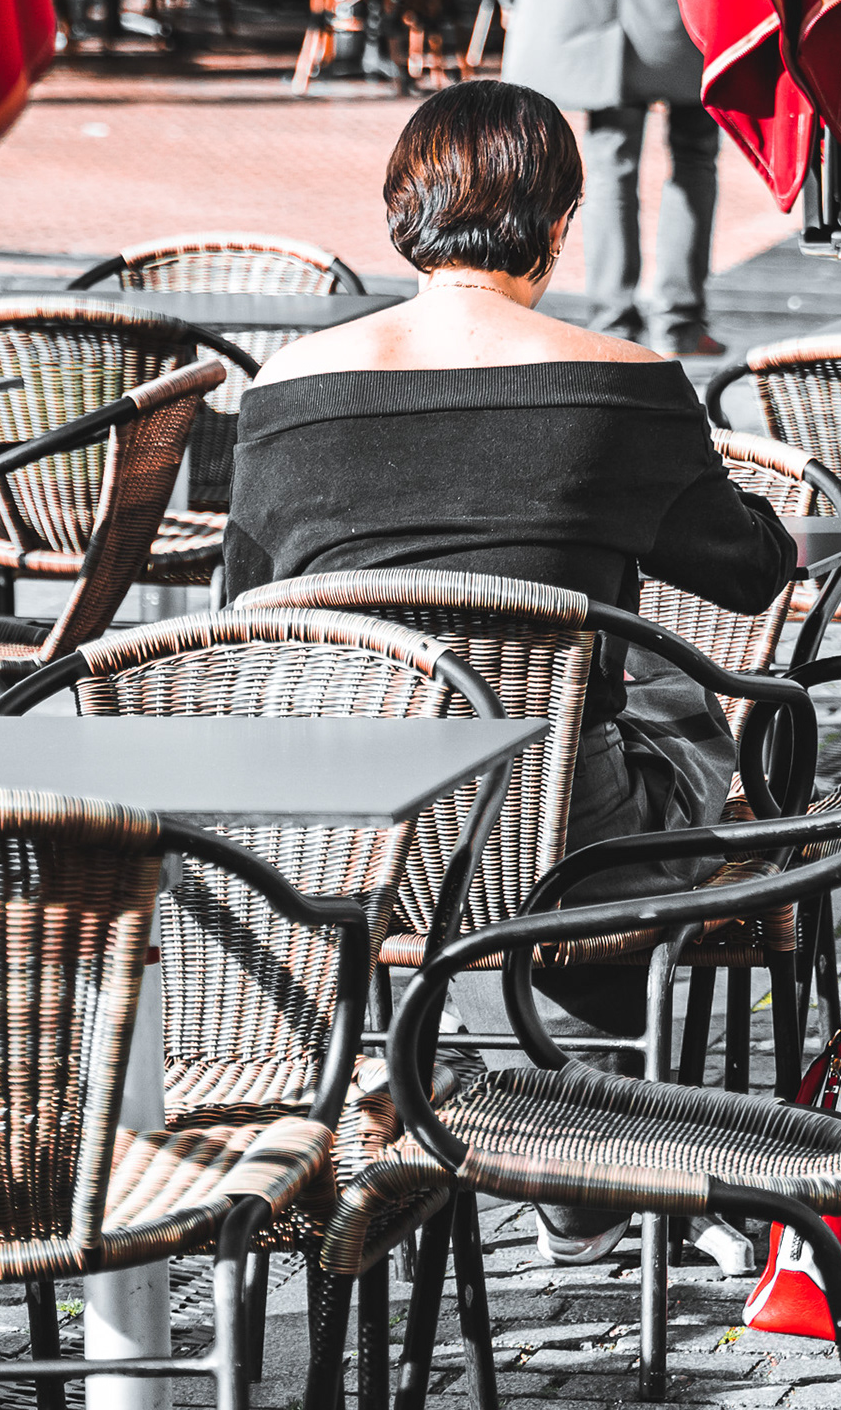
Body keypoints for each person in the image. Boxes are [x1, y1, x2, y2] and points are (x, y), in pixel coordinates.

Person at [224, 80, 793, 1268]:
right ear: (559, 219)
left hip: (342, 839)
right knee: (686, 704)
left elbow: (243, 621)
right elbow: (749, 575)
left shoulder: (283, 389)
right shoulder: (618, 382)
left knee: (607, 739)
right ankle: (599, 1127)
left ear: (403, 212)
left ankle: (453, 1075)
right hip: (555, 837)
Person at [492, 0, 724, 358]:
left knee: (610, 158)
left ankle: (613, 317)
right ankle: (679, 317)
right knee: (695, 154)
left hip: (589, 4)